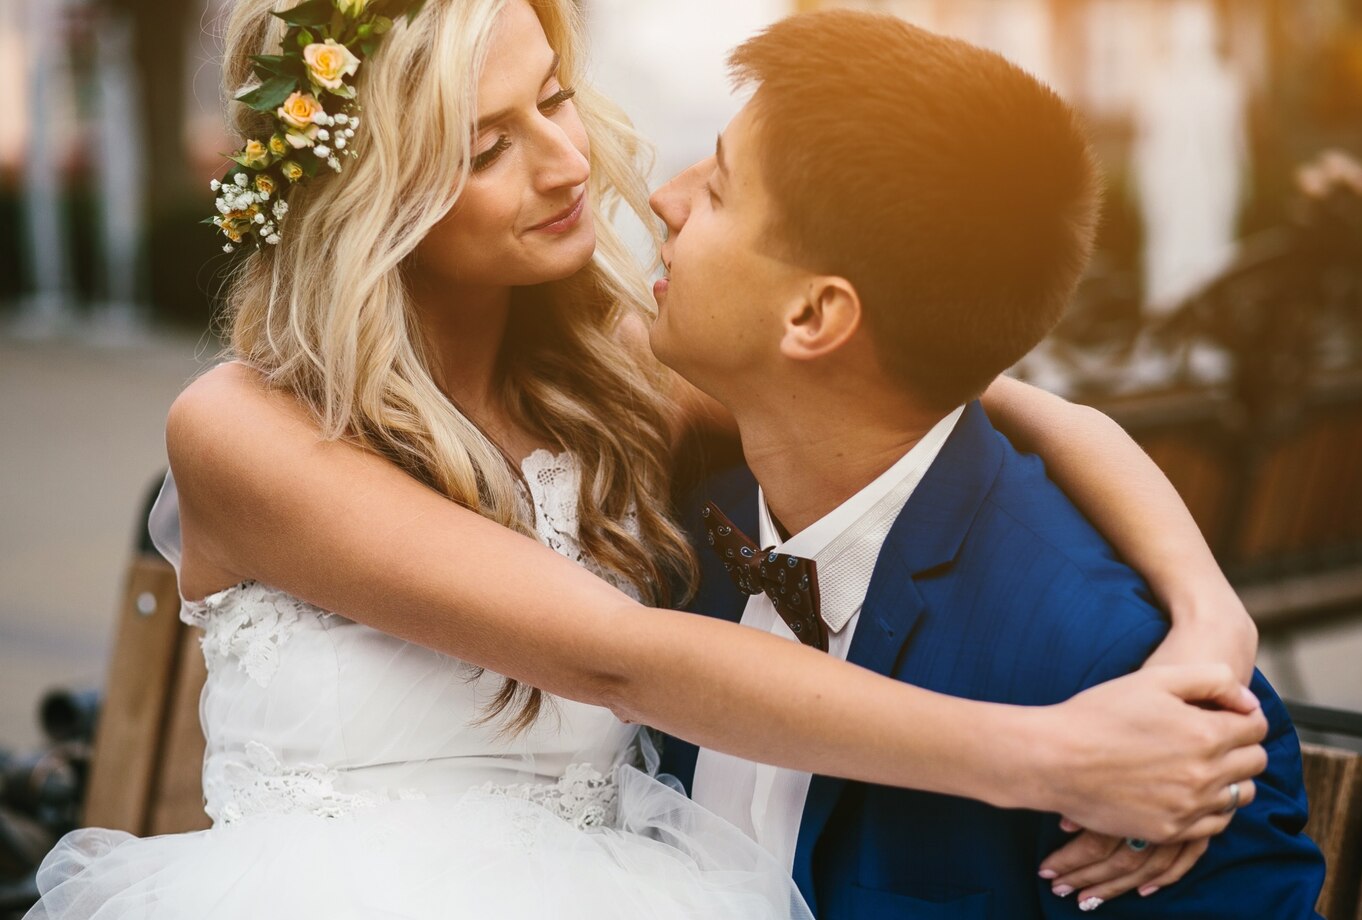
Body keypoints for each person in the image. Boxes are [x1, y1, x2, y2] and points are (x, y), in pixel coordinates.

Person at [28, 1, 1267, 917]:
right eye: (483, 145)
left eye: (553, 98)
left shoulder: (623, 373)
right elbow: (617, 654)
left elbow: (1012, 401)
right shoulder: (245, 428)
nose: (568, 163)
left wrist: (1213, 620)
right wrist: (1052, 755)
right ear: (375, 197)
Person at [650, 11, 1325, 918]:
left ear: (814, 317)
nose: (666, 197)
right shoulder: (666, 522)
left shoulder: (1136, 692)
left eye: (720, 190)